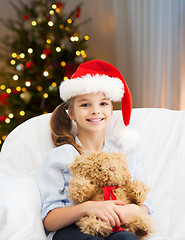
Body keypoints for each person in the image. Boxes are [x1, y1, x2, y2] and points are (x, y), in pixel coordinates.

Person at [37, 60, 153, 240]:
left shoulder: (126, 154)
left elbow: (146, 207)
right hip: (74, 230)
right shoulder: (60, 157)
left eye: (103, 104)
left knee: (127, 239)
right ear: (72, 113)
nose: (95, 111)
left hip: (116, 227)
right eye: (85, 105)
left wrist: (132, 210)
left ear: (111, 110)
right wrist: (88, 207)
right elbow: (49, 220)